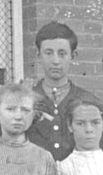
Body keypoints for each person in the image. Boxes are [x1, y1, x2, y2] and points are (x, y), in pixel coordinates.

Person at [27, 21, 96, 161]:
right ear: (38, 55)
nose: (55, 61)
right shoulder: (26, 100)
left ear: (73, 56)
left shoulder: (87, 100)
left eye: (62, 53)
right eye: (48, 53)